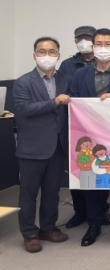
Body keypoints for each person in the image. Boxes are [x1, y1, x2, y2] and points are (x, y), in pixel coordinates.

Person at [71, 28, 110, 247]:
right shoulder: (80, 75)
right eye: (99, 44)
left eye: (108, 44)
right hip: (89, 138)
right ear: (92, 46)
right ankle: (94, 224)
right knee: (92, 182)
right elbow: (74, 102)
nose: (103, 48)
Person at [13, 37, 70, 253]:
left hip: (57, 147)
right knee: (28, 194)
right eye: (42, 51)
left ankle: (48, 228)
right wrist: (54, 102)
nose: (47, 55)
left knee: (52, 192)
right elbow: (23, 109)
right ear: (34, 55)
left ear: (58, 55)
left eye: (52, 51)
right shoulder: (23, 82)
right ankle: (29, 233)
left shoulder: (64, 79)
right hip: (32, 148)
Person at [59, 25, 98, 229]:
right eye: (80, 38)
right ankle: (79, 211)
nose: (84, 42)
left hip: (100, 127)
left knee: (98, 170)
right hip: (74, 126)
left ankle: (100, 211)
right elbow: (61, 91)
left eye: (88, 38)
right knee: (78, 170)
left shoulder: (104, 62)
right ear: (75, 41)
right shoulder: (67, 66)